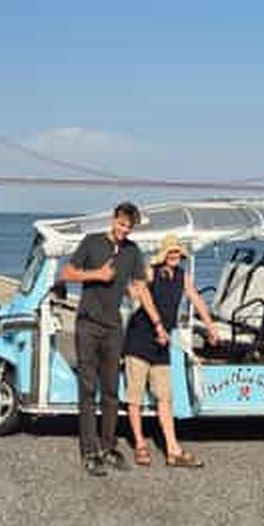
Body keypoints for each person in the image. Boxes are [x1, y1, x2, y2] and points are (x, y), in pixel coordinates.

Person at [60, 201, 167, 477]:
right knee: (87, 388)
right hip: (87, 324)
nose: (124, 230)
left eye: (129, 227)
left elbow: (140, 289)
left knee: (111, 390)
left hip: (113, 327)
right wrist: (97, 274)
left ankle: (108, 447)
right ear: (113, 219)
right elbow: (67, 273)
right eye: (121, 224)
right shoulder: (92, 242)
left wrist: (158, 324)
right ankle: (89, 451)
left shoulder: (132, 251)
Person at [124, 234, 219, 468]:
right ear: (163, 254)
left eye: (177, 252)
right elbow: (141, 293)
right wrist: (157, 324)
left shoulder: (182, 276)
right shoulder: (151, 271)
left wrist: (210, 326)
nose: (175, 255)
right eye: (171, 252)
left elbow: (196, 299)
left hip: (162, 343)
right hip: (140, 338)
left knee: (165, 396)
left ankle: (172, 449)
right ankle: (140, 445)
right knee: (135, 396)